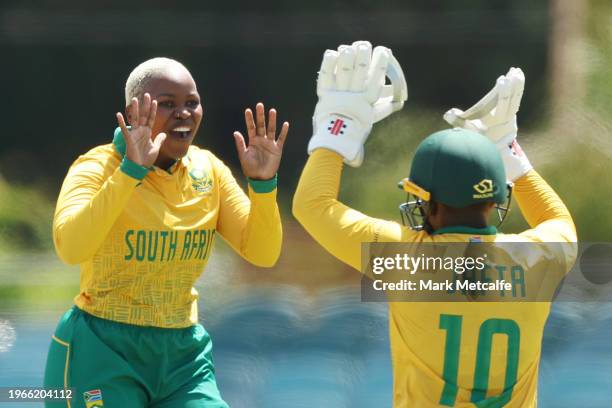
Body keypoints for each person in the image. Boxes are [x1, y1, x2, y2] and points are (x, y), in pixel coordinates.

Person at [293, 42, 577, 407]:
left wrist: (337, 131)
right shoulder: (539, 258)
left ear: (429, 202)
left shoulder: (405, 258)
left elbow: (312, 206)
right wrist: (509, 149)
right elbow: (560, 221)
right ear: (495, 201)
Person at [44, 57, 289, 408]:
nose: (184, 114)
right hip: (101, 351)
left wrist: (263, 185)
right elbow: (70, 247)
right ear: (133, 112)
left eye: (192, 103)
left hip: (183, 357)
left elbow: (263, 254)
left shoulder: (209, 171)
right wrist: (130, 172)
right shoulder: (96, 167)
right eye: (168, 104)